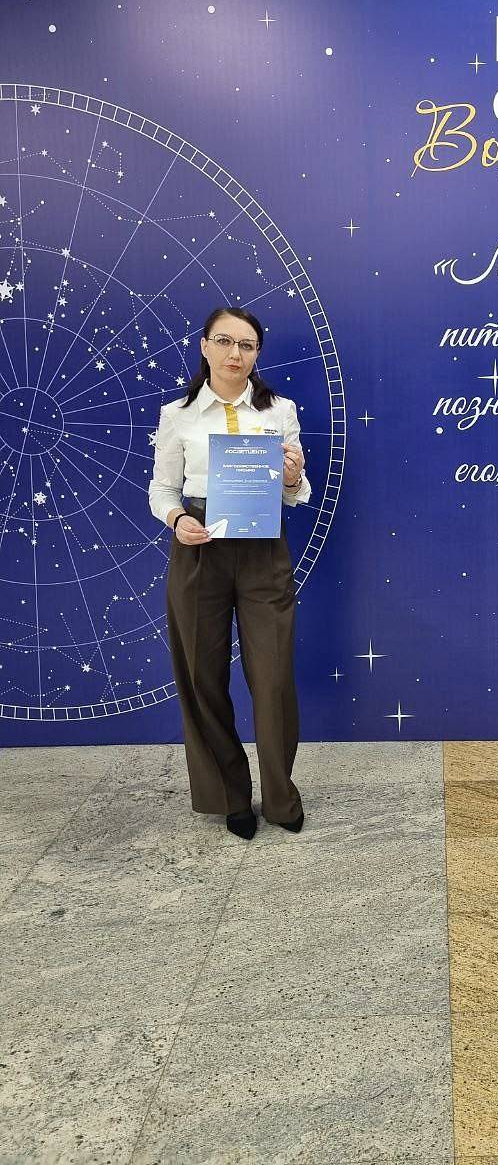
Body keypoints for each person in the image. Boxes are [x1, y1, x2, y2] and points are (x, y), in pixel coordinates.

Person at [148, 307, 311, 840]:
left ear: (257, 353)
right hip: (199, 549)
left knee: (273, 678)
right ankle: (229, 795)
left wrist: (292, 476)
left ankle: (280, 795)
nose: (235, 353)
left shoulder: (279, 410)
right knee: (201, 675)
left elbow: (295, 491)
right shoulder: (178, 415)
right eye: (224, 341)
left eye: (247, 345)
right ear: (204, 346)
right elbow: (161, 490)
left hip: (263, 549)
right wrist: (178, 521)